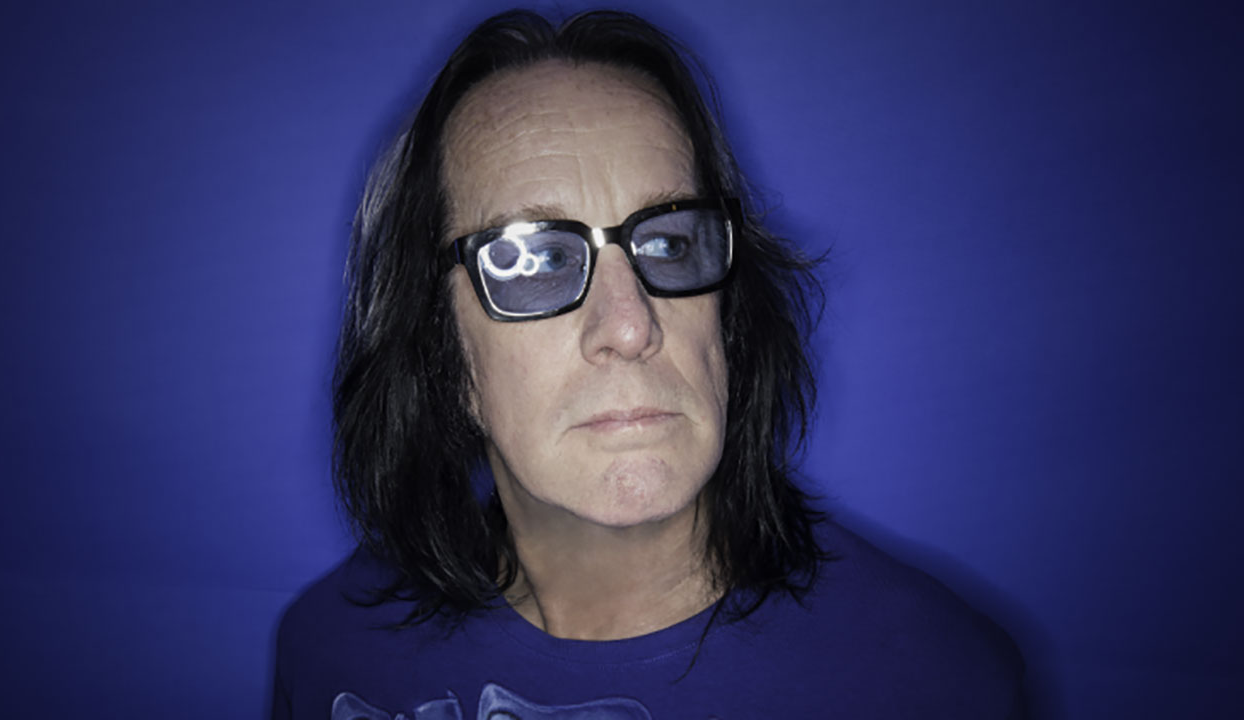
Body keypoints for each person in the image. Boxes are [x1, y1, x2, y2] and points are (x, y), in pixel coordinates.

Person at [272, 9, 1025, 719]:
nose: (631, 327)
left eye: (668, 243)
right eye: (535, 259)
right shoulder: (334, 650)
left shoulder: (928, 677)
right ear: (438, 350)